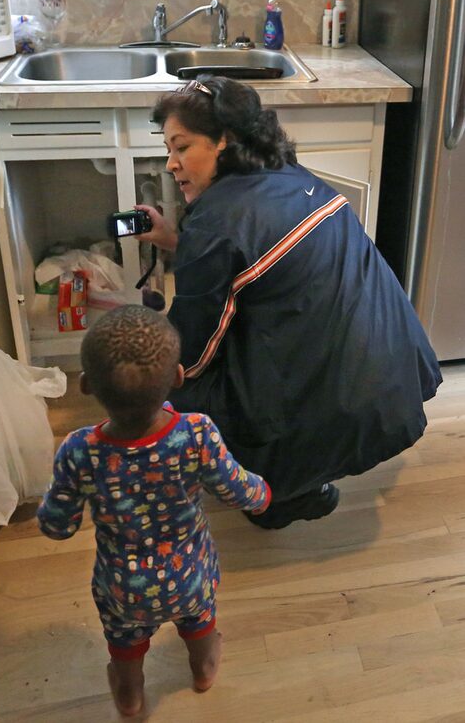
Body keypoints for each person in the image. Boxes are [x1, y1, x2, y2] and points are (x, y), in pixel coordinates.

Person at [135, 75, 442, 530]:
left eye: (182, 147)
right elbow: (248, 265)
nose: (170, 164)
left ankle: (277, 492)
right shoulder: (288, 172)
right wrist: (175, 241)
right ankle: (306, 470)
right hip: (393, 374)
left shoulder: (217, 224)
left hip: (343, 397)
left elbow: (192, 355)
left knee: (176, 382)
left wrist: (142, 389)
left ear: (226, 141)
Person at [36, 304, 271, 716]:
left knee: (124, 640)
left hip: (122, 587)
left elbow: (58, 525)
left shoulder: (79, 451)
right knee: (199, 617)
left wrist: (54, 511)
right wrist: (262, 493)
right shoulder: (197, 432)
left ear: (87, 385)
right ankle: (203, 667)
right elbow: (236, 489)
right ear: (179, 377)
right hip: (190, 576)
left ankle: (129, 692)